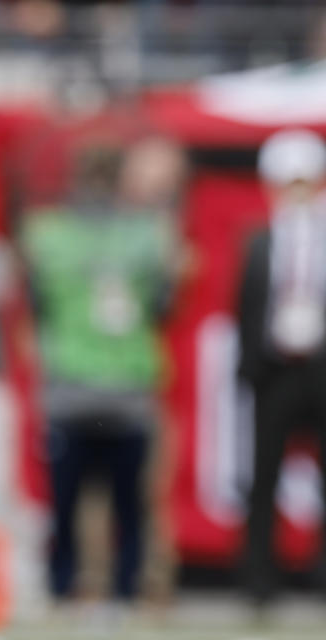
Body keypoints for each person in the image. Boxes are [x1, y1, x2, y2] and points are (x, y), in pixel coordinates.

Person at [21, 136, 184, 605]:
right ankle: (117, 586)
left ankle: (69, 585)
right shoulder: (148, 233)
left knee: (85, 501)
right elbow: (162, 304)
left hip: (88, 380)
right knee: (116, 502)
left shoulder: (47, 232)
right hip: (112, 380)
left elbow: (38, 305)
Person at [237, 128, 326, 607]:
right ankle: (258, 580)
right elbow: (245, 306)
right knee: (263, 474)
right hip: (275, 370)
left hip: (321, 367)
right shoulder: (259, 239)